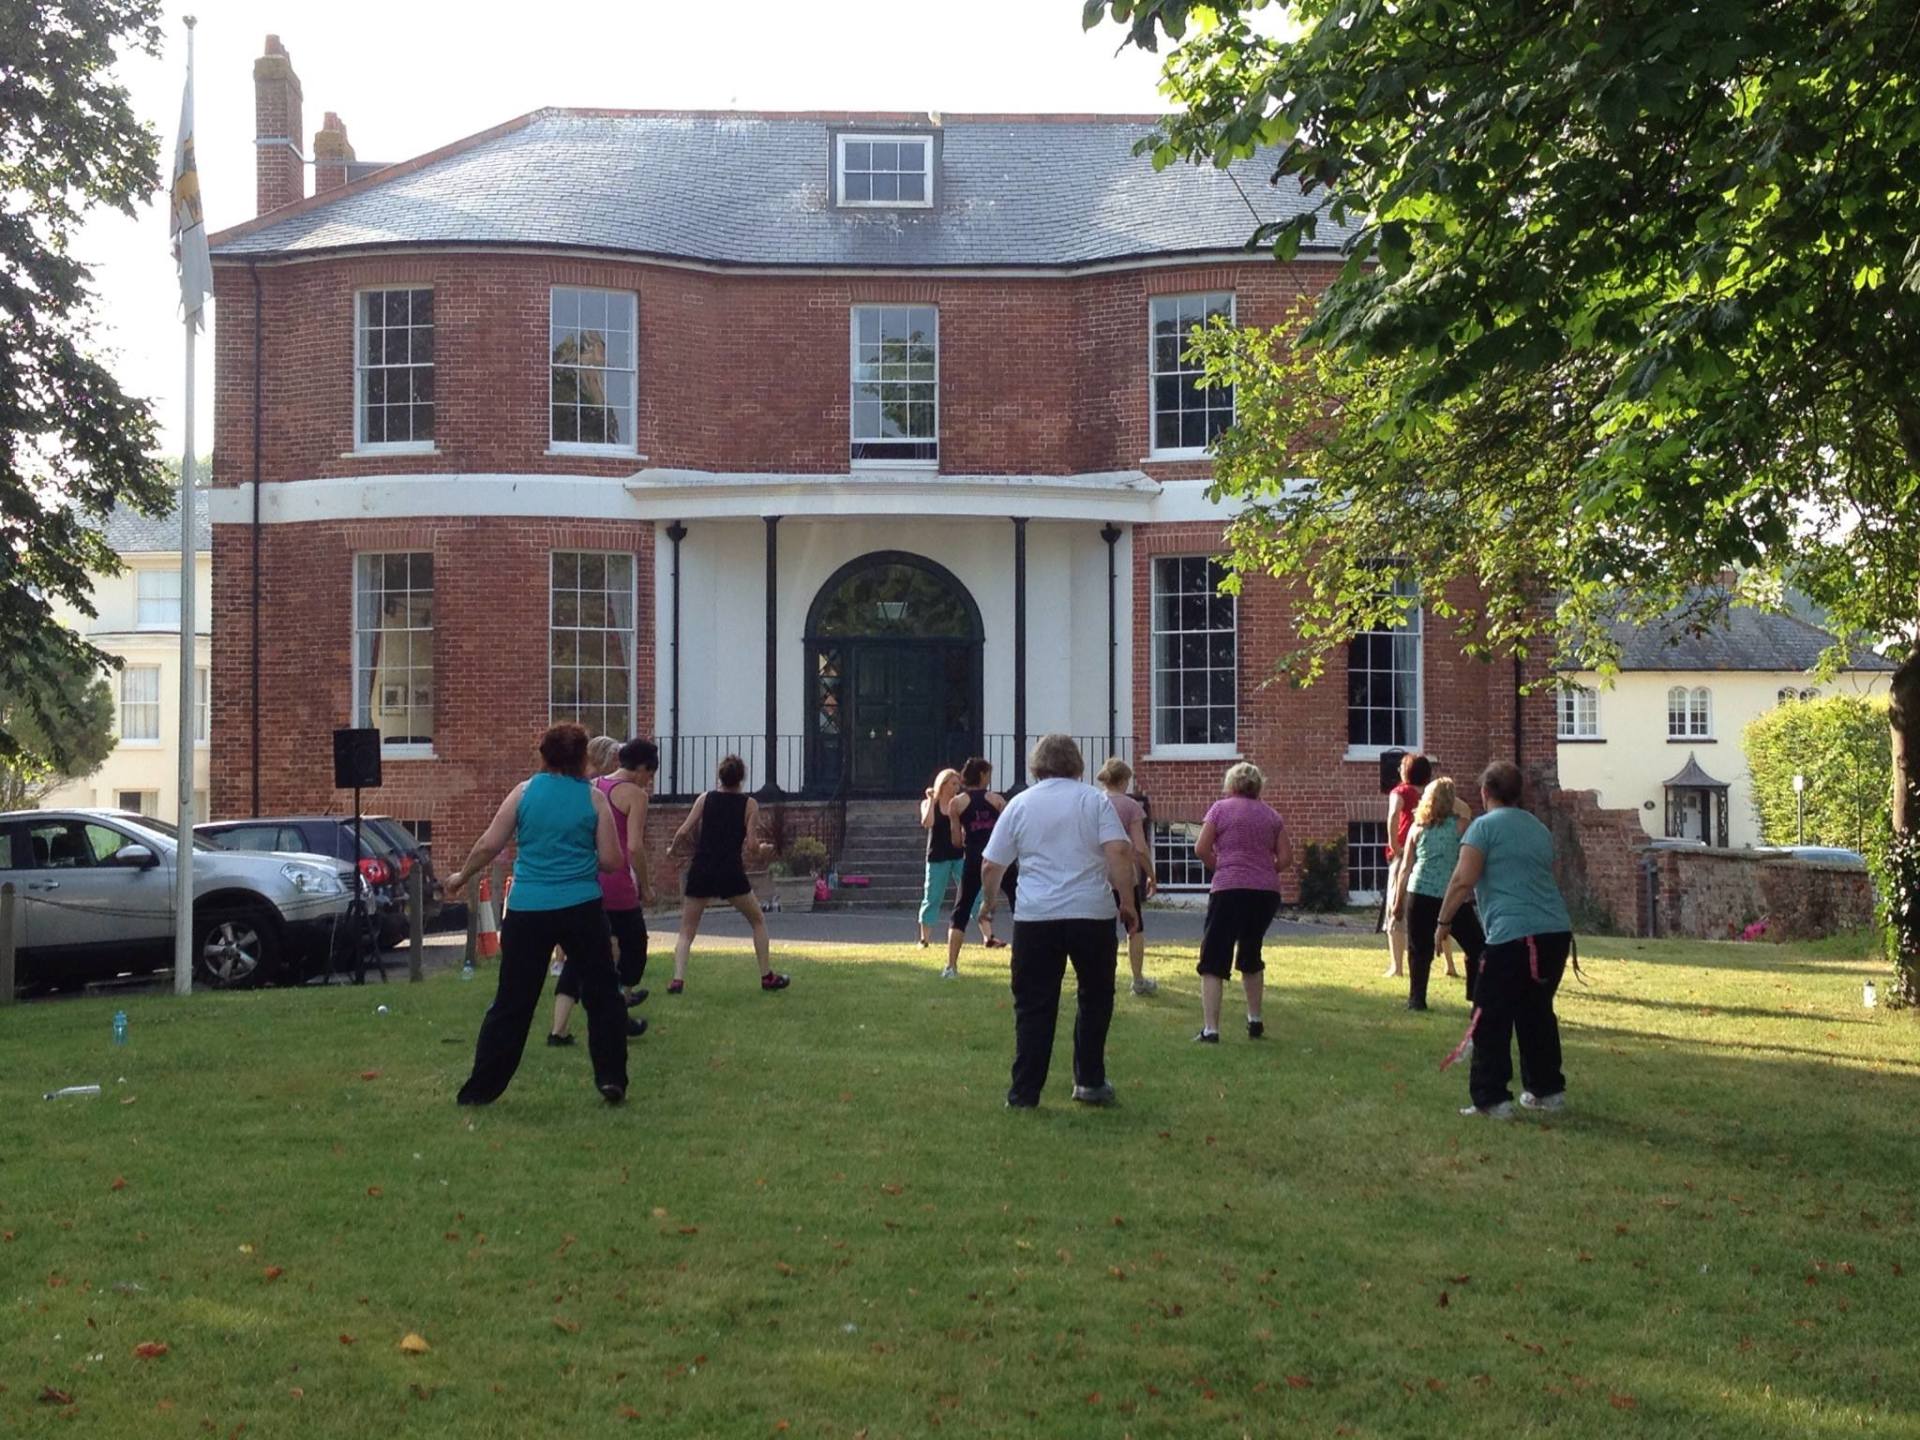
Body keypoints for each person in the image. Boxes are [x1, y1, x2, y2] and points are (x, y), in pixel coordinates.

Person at [448, 723, 630, 1106]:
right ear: (583, 759)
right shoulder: (594, 800)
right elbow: (613, 861)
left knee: (513, 1000)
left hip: (528, 909)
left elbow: (488, 844)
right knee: (602, 994)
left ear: (543, 756)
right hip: (581, 907)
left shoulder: (524, 793)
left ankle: (480, 1089)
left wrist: (460, 876)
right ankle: (611, 1078)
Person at [980, 735, 1138, 1108]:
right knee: (1095, 997)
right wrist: (1127, 901)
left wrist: (989, 904)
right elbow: (1118, 850)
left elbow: (991, 864)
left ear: (1037, 766)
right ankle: (1089, 1079)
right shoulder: (1094, 801)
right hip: (1091, 912)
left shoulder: (1020, 804)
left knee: (1034, 1004)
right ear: (1077, 765)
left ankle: (1024, 1091)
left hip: (1037, 916)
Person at [1434, 761, 1574, 1119]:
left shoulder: (1482, 828)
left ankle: (1492, 1099)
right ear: (1519, 794)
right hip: (1555, 933)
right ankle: (1547, 1090)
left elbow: (1463, 879)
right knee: (1536, 1011)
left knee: (1490, 1016)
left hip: (1513, 935)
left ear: (1484, 793)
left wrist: (1443, 921)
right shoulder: (1538, 829)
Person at [549, 737, 658, 1046]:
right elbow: (634, 846)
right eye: (649, 775)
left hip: (587, 882)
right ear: (640, 769)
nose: (648, 782)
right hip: (618, 884)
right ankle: (618, 1015)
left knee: (579, 957)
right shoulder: (635, 795)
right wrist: (646, 886)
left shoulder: (594, 786)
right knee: (634, 947)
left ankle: (558, 1030)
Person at [665, 754, 789, 994]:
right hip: (730, 871)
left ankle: (678, 980)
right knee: (757, 920)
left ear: (719, 776)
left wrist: (672, 849)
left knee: (687, 930)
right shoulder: (749, 805)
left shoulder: (705, 799)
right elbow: (752, 846)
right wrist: (763, 849)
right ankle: (766, 976)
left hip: (702, 869)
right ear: (741, 778)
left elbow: (683, 830)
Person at [1193, 762, 1293, 1042]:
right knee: (1251, 951)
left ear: (1231, 784)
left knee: (1214, 956)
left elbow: (1201, 847)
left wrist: (1221, 866)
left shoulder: (1220, 809)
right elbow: (1285, 858)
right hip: (1264, 894)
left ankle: (1211, 1029)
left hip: (1229, 889)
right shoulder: (1272, 816)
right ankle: (1255, 1020)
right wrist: (1261, 871)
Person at [1390, 775, 1480, 1012]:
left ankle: (1416, 999)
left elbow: (1406, 868)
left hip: (1419, 893)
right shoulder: (1462, 826)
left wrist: (1398, 902)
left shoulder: (1416, 828)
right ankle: (1475, 996)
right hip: (1452, 896)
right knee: (1476, 946)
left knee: (1419, 948)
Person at [1095, 757, 1158, 996]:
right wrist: (1150, 874)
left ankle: (1100, 980)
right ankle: (1138, 980)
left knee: (1100, 929)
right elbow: (1139, 848)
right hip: (1124, 875)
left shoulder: (1093, 802)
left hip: (1096, 873)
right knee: (1134, 927)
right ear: (1123, 780)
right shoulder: (1131, 806)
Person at [944, 756, 1012, 977]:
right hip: (999, 856)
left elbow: (955, 840)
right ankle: (1025, 959)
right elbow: (1008, 834)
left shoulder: (956, 803)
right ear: (982, 775)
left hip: (973, 856)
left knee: (962, 908)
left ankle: (951, 966)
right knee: (1019, 901)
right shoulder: (997, 801)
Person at [1380, 753, 1432, 978]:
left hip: (1404, 852)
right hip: (1428, 852)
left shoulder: (1400, 792)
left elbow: (1393, 816)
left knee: (1396, 906)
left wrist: (1394, 846)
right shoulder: (1433, 795)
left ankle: (1397, 966)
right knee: (1432, 907)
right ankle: (1449, 963)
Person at [917, 768, 969, 951]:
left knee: (973, 892)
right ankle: (924, 939)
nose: (957, 787)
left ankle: (987, 935)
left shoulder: (959, 803)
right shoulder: (930, 803)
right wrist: (931, 800)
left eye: (958, 784)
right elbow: (927, 823)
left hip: (958, 855)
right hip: (938, 856)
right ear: (944, 784)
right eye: (953, 784)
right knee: (932, 897)